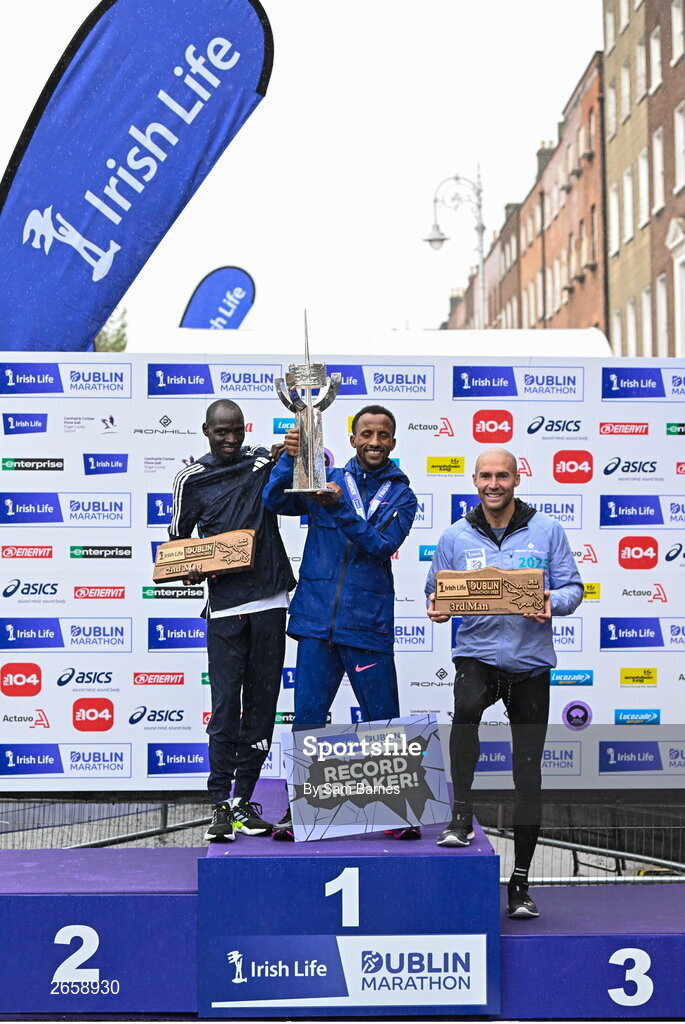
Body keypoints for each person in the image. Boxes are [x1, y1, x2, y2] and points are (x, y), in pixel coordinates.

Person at [425, 447, 583, 918]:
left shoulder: (547, 529)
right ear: (474, 480)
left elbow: (574, 588)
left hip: (531, 663)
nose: (494, 484)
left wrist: (553, 602)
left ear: (517, 479)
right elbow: (436, 590)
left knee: (527, 775)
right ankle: (461, 815)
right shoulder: (455, 534)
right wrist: (437, 607)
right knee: (467, 712)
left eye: (503, 476)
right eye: (486, 476)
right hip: (477, 656)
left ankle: (521, 883)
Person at [262, 404, 418, 840]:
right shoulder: (323, 474)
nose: (373, 441)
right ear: (352, 439)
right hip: (315, 620)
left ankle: (399, 810)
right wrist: (290, 459)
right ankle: (302, 809)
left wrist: (339, 506)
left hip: (366, 623)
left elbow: (380, 545)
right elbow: (274, 501)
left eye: (382, 435)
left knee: (381, 719)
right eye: (365, 433)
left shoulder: (403, 496)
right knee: (308, 719)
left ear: (392, 442)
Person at [169, 399, 295, 842]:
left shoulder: (263, 459)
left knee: (261, 710)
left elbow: (294, 463)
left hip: (270, 599)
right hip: (224, 607)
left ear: (245, 429)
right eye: (221, 431)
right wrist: (190, 566)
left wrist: (296, 445)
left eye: (236, 430)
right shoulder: (191, 479)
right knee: (225, 709)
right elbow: (178, 547)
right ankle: (218, 806)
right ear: (206, 430)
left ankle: (243, 801)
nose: (229, 438)